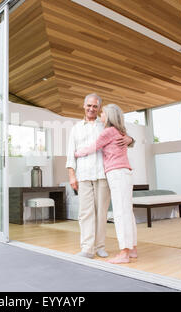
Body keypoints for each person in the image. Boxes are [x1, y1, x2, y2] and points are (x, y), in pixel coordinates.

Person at [66, 94, 134, 259]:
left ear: (99, 108)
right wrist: (71, 175)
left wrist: (130, 139)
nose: (91, 109)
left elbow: (124, 136)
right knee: (85, 213)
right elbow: (70, 154)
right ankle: (87, 248)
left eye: (95, 106)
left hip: (102, 175)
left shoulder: (104, 125)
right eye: (89, 105)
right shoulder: (76, 128)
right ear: (84, 106)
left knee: (102, 213)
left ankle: (100, 246)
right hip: (83, 175)